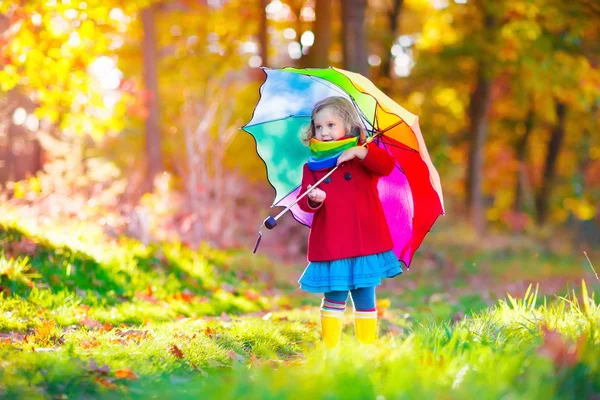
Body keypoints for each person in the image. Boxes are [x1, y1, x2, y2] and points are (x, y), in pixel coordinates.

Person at [297, 96, 402, 349]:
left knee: (365, 294)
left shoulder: (362, 157)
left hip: (364, 239)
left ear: (349, 126)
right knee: (334, 295)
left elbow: (386, 166)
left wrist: (360, 151)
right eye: (319, 127)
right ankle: (330, 349)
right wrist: (314, 199)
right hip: (333, 240)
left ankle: (366, 349)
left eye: (331, 125)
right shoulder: (313, 166)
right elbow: (303, 202)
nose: (324, 132)